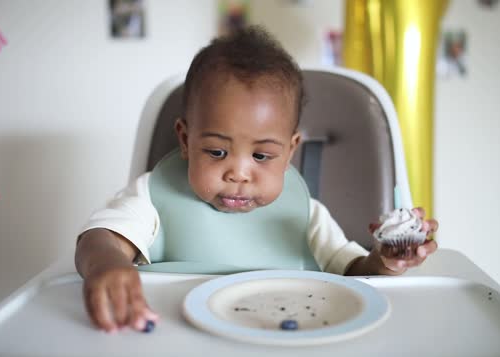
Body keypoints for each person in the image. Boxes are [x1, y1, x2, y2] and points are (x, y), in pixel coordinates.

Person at [75, 26, 439, 333]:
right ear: (186, 140)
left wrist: (385, 261)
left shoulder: (305, 214)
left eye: (262, 156)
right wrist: (108, 265)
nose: (239, 173)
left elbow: (355, 272)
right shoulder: (155, 196)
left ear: (290, 150)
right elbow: (99, 239)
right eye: (217, 152)